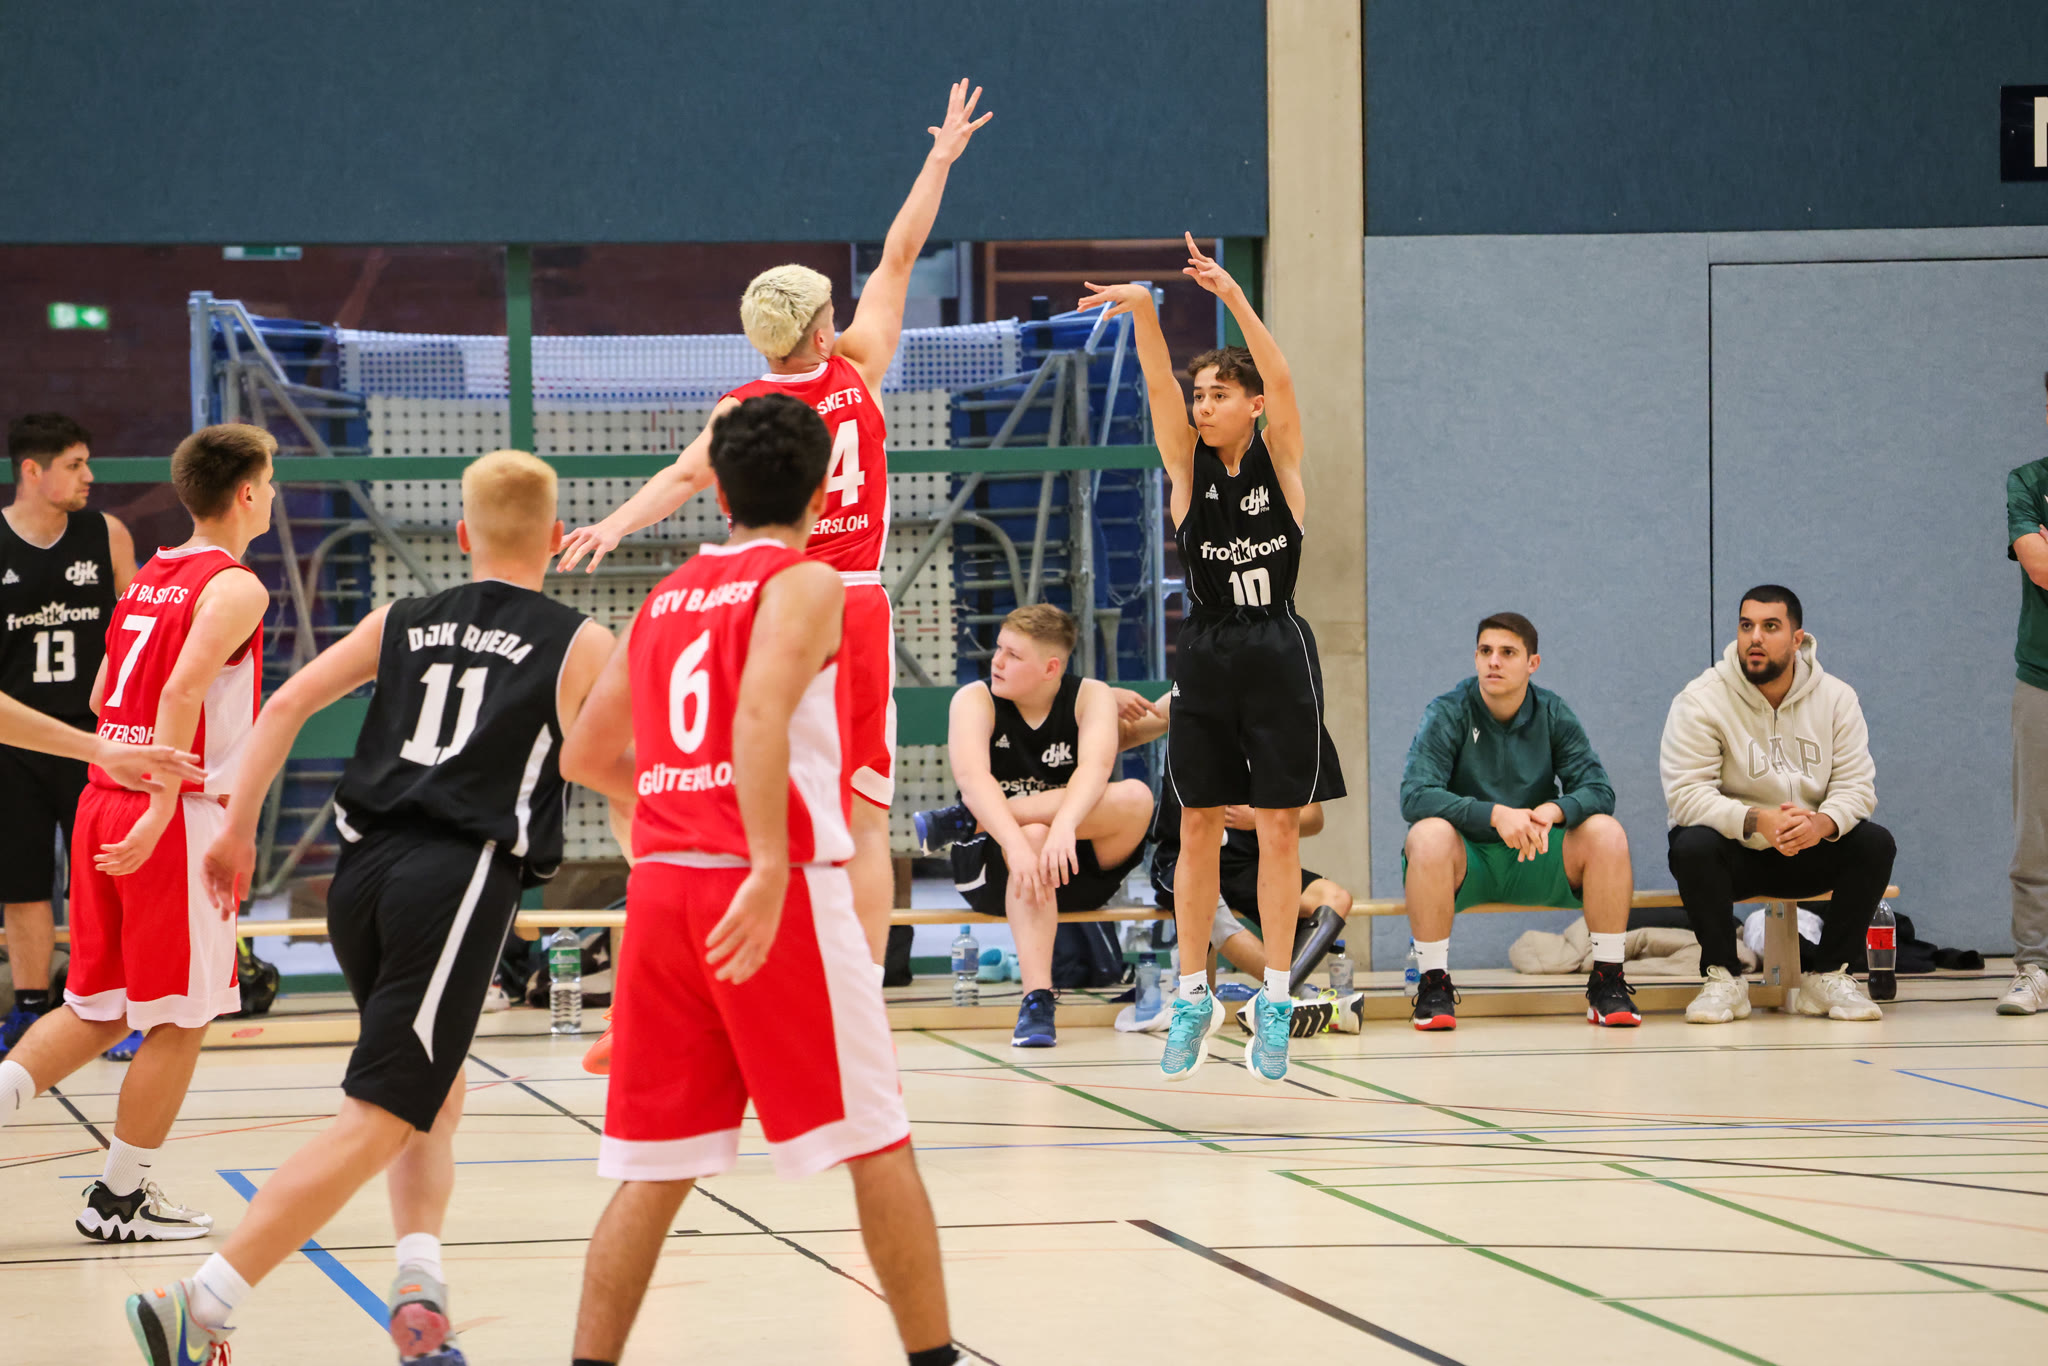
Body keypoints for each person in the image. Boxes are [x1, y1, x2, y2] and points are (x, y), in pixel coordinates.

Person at [120, 449, 612, 1366]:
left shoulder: (401, 618)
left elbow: (284, 707)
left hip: (362, 876)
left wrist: (236, 832)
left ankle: (419, 1292)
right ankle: (203, 1302)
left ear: (461, 536)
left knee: (432, 1086)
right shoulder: (582, 642)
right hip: (456, 877)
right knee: (383, 1108)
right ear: (555, 538)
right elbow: (608, 769)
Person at [556, 80, 993, 967]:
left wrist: (613, 524)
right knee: (860, 817)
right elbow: (902, 253)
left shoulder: (742, 407)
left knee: (747, 782)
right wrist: (939, 159)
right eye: (833, 311)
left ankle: (730, 949)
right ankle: (854, 979)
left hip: (760, 604)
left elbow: (682, 478)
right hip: (850, 601)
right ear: (823, 334)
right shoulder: (859, 368)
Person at [559, 394, 955, 1366]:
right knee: (878, 1139)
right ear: (822, 493)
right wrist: (769, 861)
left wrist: (677, 795)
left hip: (663, 892)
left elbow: (586, 756)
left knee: (654, 1170)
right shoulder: (808, 581)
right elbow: (759, 715)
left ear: (720, 494)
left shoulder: (664, 598)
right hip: (769, 888)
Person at [1077, 235, 1344, 1085]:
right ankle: (1193, 992)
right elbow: (1158, 388)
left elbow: (1286, 378)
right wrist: (1145, 312)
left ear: (1253, 407)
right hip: (1207, 648)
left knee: (1277, 828)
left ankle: (1275, 997)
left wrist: (1230, 294)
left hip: (1277, 649)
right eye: (1201, 395)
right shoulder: (1187, 470)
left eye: (1219, 395)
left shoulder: (1280, 460)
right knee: (1196, 821)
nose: (1202, 405)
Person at [0, 423, 274, 1244]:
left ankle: (113, 1190)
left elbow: (101, 698)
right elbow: (183, 690)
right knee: (180, 1019)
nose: (273, 494)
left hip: (103, 796)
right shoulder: (236, 586)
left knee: (100, 1005)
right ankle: (119, 1199)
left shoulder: (151, 572)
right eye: (270, 482)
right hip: (171, 814)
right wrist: (161, 808)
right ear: (247, 493)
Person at [910, 603, 1154, 1048]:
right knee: (1033, 835)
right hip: (993, 867)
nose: (997, 661)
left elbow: (1095, 770)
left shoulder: (1091, 696)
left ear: (1051, 668)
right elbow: (973, 780)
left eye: (1013, 655)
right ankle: (1037, 1000)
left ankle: (965, 821)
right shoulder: (974, 699)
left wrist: (1065, 825)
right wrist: (1020, 842)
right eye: (999, 649)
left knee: (1135, 796)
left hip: (1073, 864)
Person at [1661, 585, 1893, 1024]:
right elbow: (1686, 795)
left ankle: (1829, 976)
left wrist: (1822, 824)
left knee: (1874, 843)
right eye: (1746, 625)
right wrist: (1755, 819)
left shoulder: (1837, 698)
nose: (1755, 638)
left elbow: (1858, 787)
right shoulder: (1701, 699)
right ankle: (1723, 978)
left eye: (1770, 627)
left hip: (1809, 848)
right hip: (1738, 853)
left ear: (1797, 639)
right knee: (1690, 845)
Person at [1399, 612, 1638, 1030]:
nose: (1494, 661)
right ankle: (1433, 985)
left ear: (1533, 663)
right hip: (1468, 860)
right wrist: (1494, 815)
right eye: (1485, 651)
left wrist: (1555, 810)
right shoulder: (1448, 711)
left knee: (1607, 833)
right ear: (1475, 658)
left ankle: (1607, 982)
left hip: (1537, 852)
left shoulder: (1552, 711)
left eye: (1508, 652)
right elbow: (1415, 795)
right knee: (1427, 834)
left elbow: (1599, 789)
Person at [0, 413, 137, 1056]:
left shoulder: (106, 534)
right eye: (75, 465)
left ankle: (110, 1007)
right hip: (14, 741)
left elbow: (135, 635)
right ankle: (30, 1009)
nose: (90, 476)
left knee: (101, 880)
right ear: (33, 470)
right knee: (23, 883)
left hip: (93, 738)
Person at [1136, 693, 1352, 1005]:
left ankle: (1282, 996)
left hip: (1248, 862)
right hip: (1183, 857)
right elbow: (1132, 729)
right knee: (1211, 913)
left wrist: (1256, 818)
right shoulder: (1190, 694)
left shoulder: (1281, 717)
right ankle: (1292, 997)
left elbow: (1314, 818)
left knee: (1336, 898)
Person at [2002, 374, 2048, 1015]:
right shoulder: (2028, 482)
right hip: (2041, 678)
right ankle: (2034, 966)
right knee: (2034, 832)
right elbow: (2038, 564)